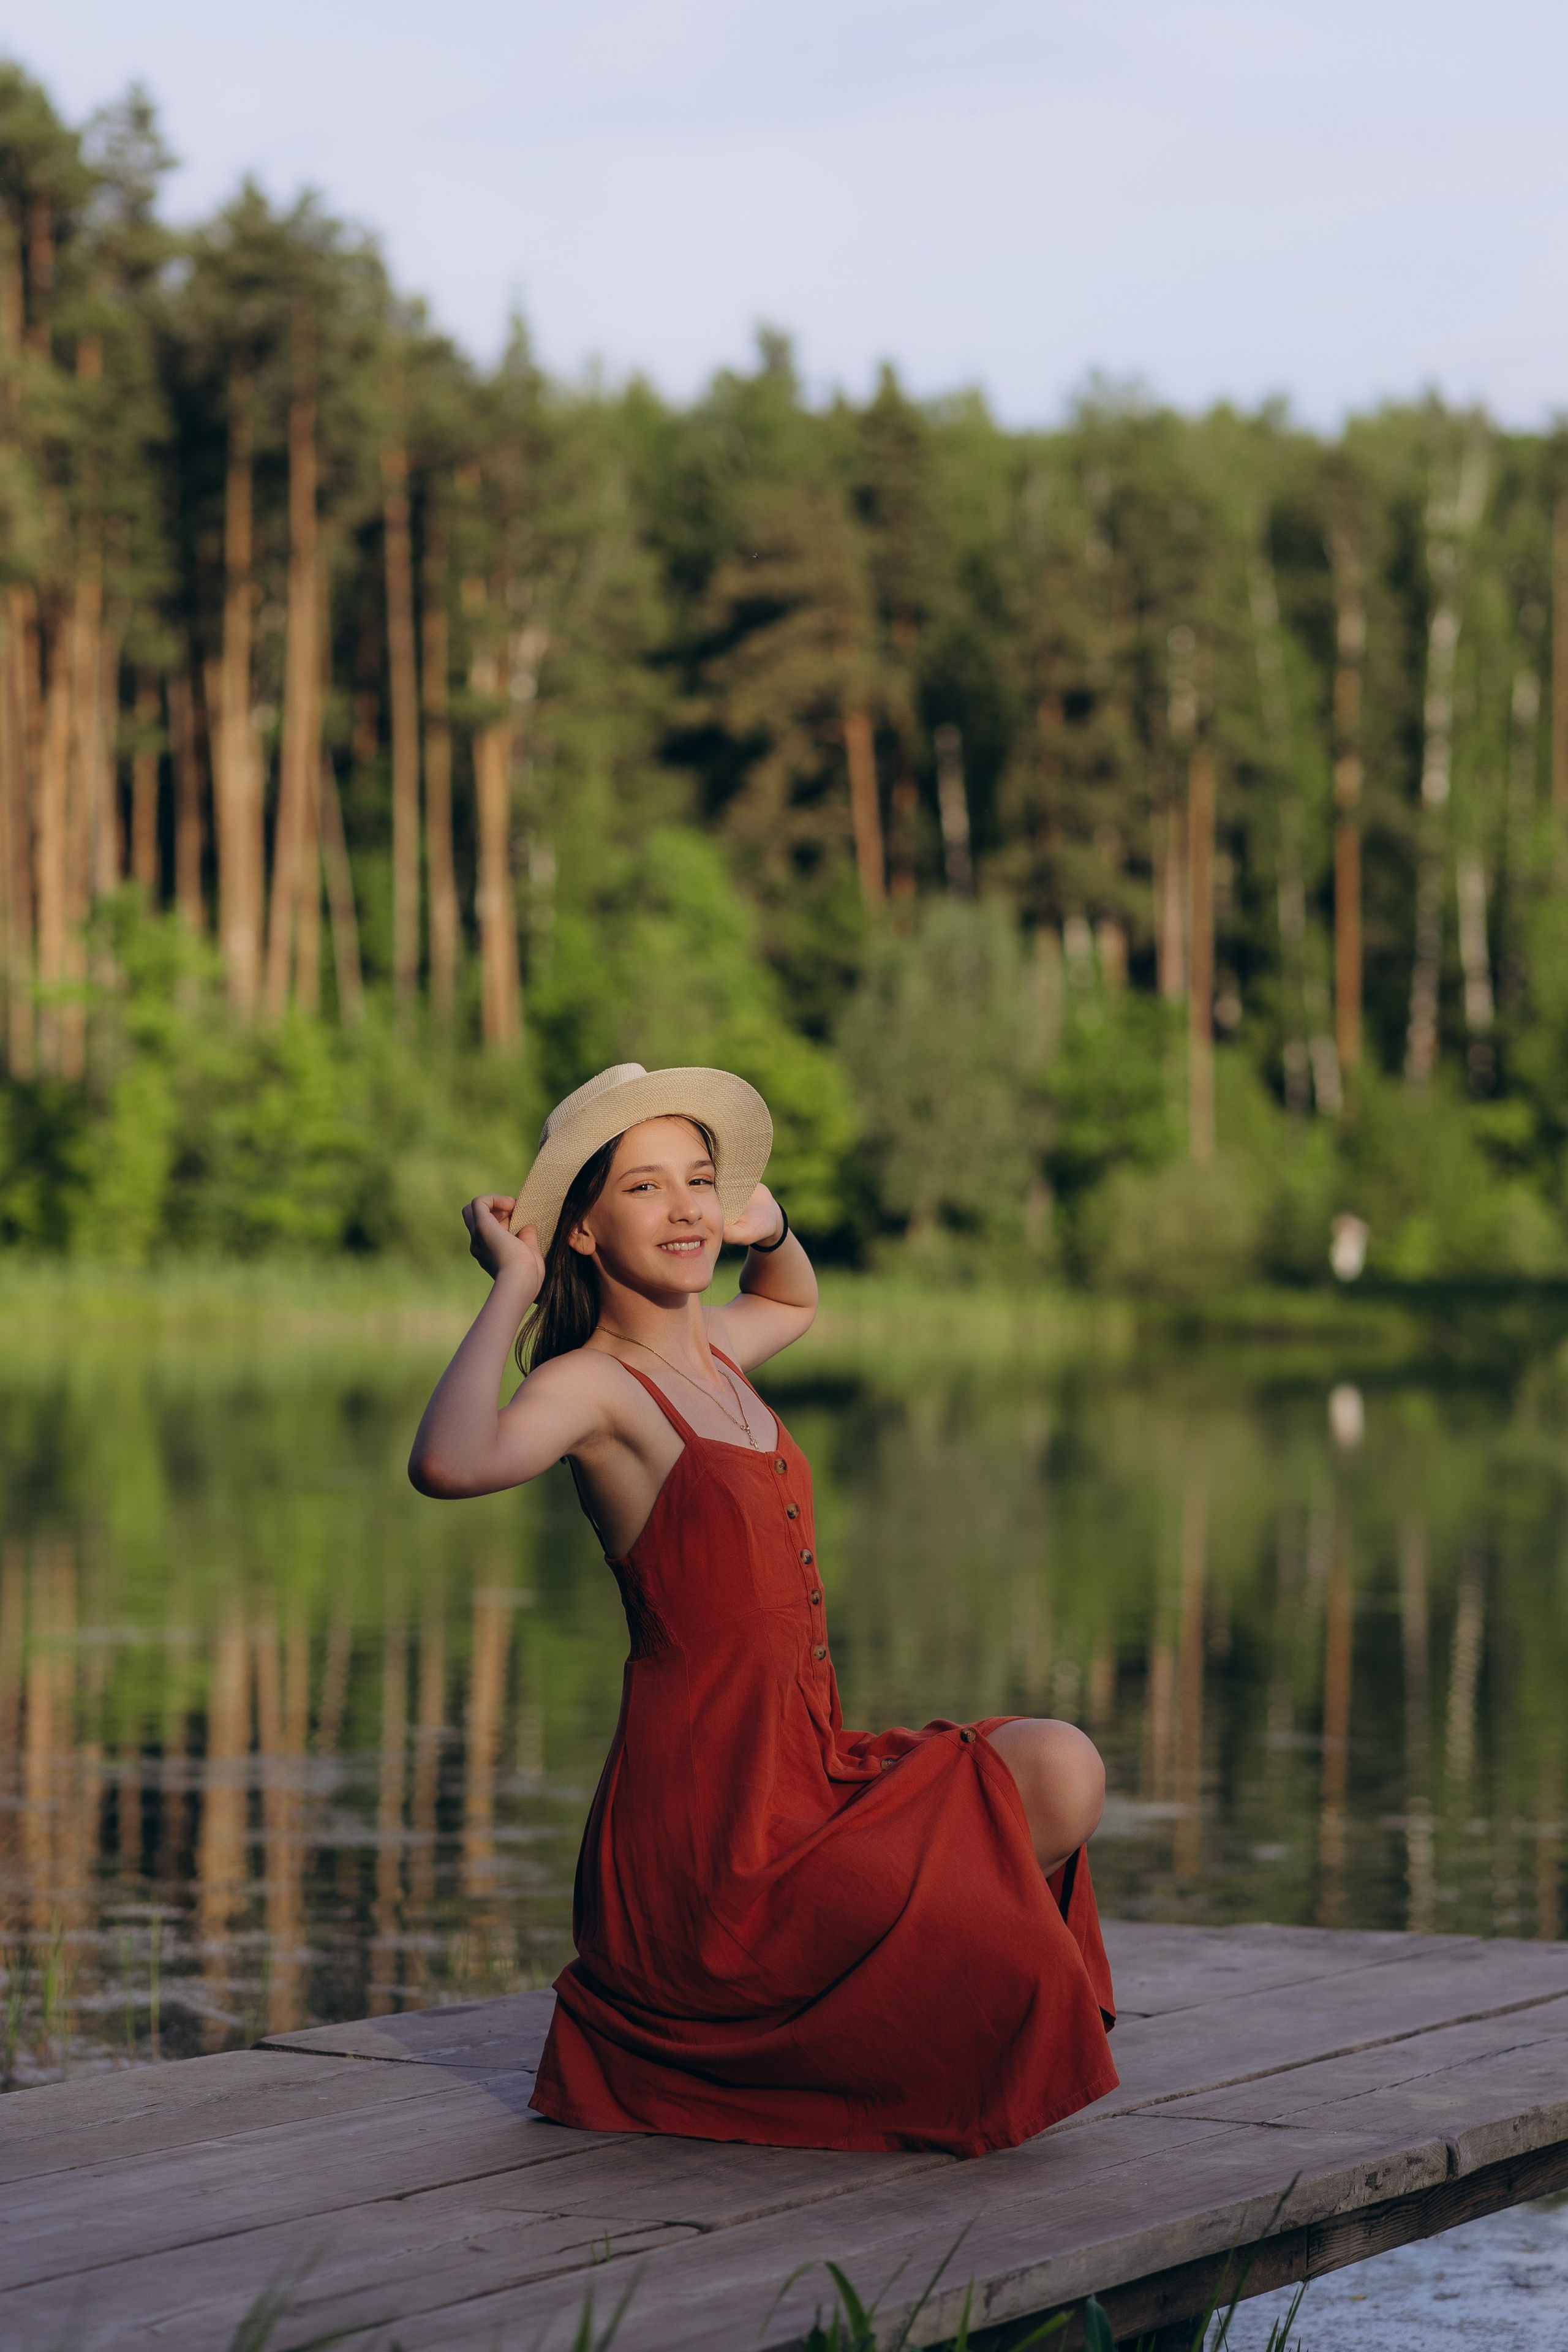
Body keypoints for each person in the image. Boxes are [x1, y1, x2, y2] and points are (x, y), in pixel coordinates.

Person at [410, 1061, 1117, 2156]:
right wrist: (510, 1278)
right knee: (1025, 1841)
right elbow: (451, 1463)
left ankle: (870, 2024)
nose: (687, 1206)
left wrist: (771, 1221)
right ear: (585, 1230)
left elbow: (791, 1296)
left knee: (1056, 1765)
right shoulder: (596, 1387)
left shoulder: (724, 1355)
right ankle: (820, 2029)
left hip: (808, 1777)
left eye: (701, 1180)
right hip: (708, 1847)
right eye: (644, 1188)